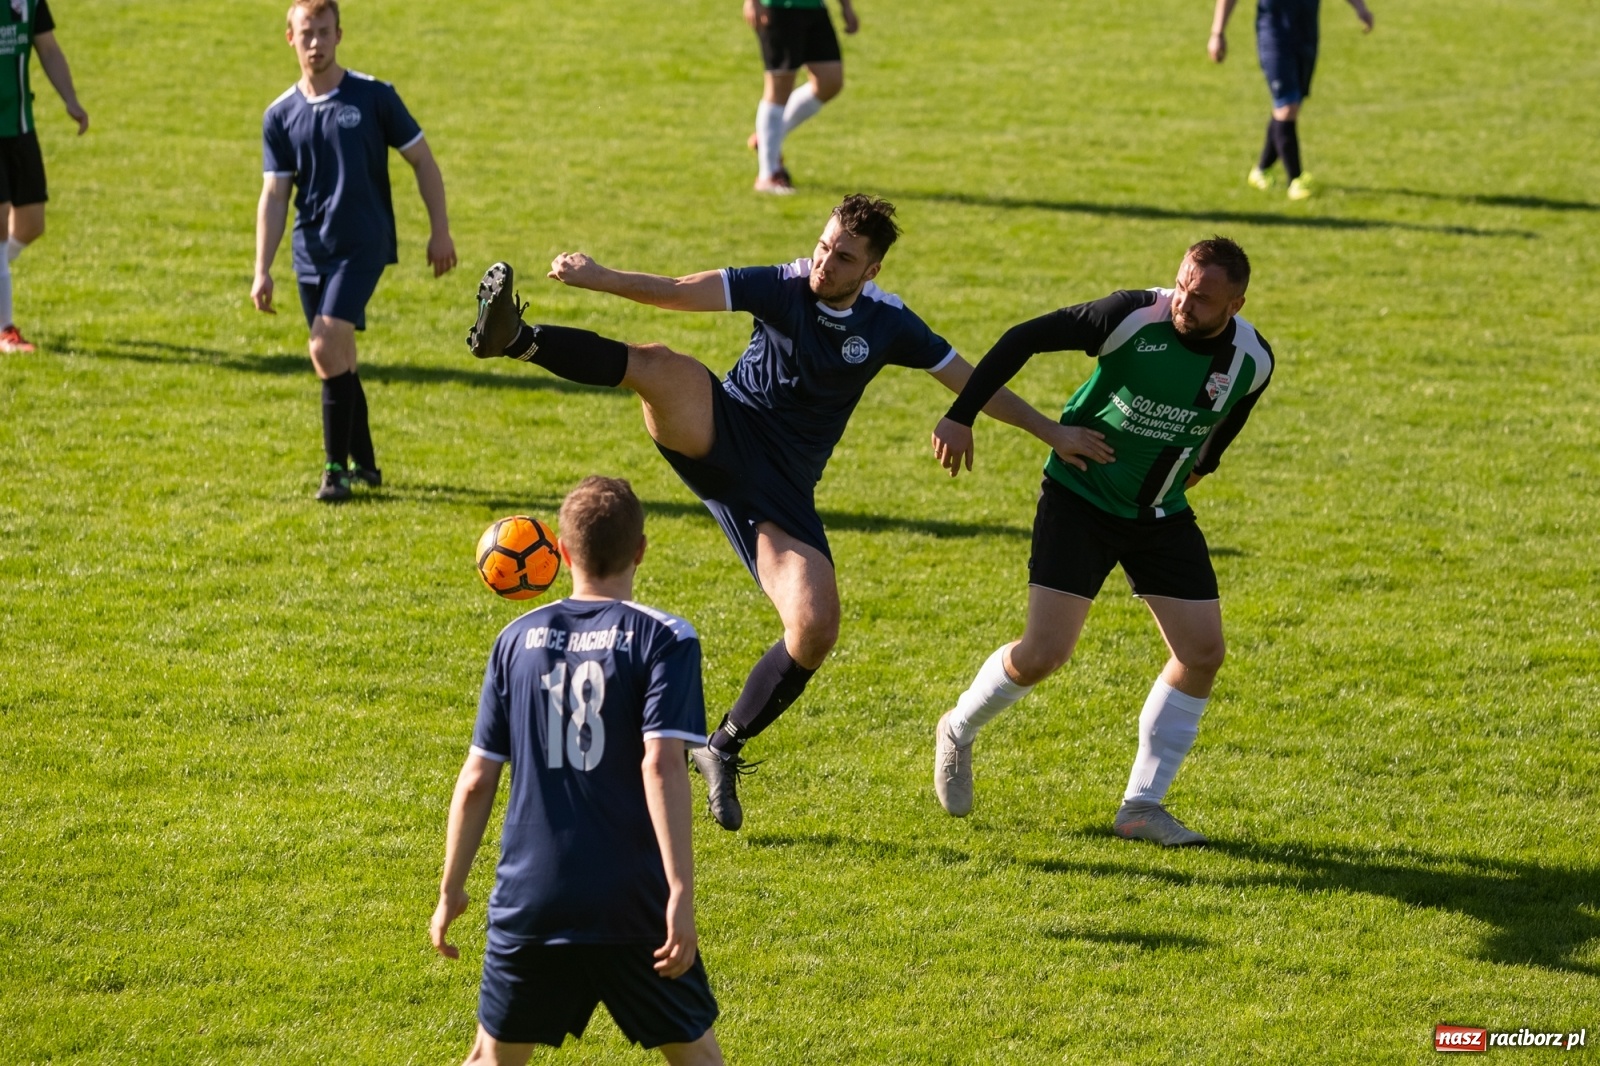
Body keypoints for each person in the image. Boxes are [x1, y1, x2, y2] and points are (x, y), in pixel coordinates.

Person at [466, 194, 1079, 832]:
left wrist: (1050, 432)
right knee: (659, 366)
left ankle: (720, 746)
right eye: (823, 245)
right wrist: (600, 277)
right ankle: (518, 339)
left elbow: (969, 378)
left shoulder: (890, 323)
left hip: (782, 490)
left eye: (843, 257)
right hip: (723, 426)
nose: (824, 263)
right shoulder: (783, 284)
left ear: (871, 272)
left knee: (815, 626)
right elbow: (680, 291)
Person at [929, 237, 1274, 846]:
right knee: (1043, 654)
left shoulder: (1253, 359)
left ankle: (1141, 806)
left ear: (1237, 304)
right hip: (1079, 500)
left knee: (1203, 653)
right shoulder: (1130, 315)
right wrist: (963, 413)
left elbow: (1229, 420)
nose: (1184, 305)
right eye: (1183, 287)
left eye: (1202, 300)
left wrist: (1205, 465)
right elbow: (1022, 337)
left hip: (1160, 515)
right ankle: (958, 727)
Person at [431, 476, 724, 1066]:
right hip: (630, 900)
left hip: (531, 898)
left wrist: (451, 890)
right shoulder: (665, 638)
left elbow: (476, 780)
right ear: (641, 547)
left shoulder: (513, 640)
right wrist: (681, 892)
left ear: (561, 553)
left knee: (491, 1060)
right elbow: (661, 764)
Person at [252, 0, 457, 501]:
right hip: (310, 251)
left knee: (323, 347)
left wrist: (440, 231)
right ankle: (365, 464)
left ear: (340, 34)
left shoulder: (373, 96)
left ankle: (334, 471)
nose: (315, 44)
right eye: (306, 34)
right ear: (290, 38)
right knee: (338, 356)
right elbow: (275, 195)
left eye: (324, 32)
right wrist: (262, 268)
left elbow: (423, 161)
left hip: (363, 244)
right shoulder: (280, 114)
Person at [1208, 0, 1373, 201]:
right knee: (1287, 105)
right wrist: (1217, 33)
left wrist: (1360, 8)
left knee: (1289, 106)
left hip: (1306, 33)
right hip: (1275, 35)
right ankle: (1296, 179)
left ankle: (1261, 170)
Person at [0, 0, 89, 354]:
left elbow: (48, 48)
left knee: (31, 224)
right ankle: (5, 330)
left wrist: (71, 99)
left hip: (20, 125)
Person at [743, 0, 858, 194]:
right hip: (778, 8)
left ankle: (769, 137)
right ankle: (767, 176)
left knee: (830, 82)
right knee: (779, 87)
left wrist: (846, 6)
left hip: (814, 7)